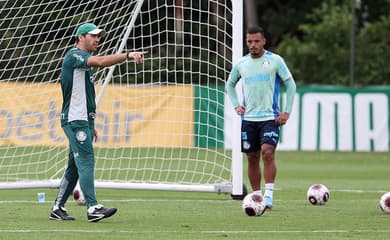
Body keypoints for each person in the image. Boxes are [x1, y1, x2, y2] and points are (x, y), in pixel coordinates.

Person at [50, 23, 147, 222]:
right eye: (93, 36)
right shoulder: (74, 56)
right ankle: (93, 207)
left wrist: (91, 124)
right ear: (80, 37)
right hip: (74, 120)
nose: (97, 39)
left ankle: (57, 208)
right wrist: (127, 55)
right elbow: (102, 61)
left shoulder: (85, 64)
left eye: (99, 36)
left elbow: (88, 97)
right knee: (86, 160)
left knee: (75, 167)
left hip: (82, 121)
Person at [226, 26, 296, 210]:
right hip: (248, 119)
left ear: (263, 41)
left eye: (257, 41)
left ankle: (269, 195)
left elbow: (291, 85)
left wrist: (286, 111)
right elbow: (230, 85)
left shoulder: (274, 61)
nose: (253, 45)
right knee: (252, 157)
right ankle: (256, 196)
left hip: (270, 118)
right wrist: (236, 105)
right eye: (249, 42)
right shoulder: (242, 63)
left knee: (267, 152)